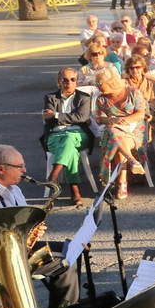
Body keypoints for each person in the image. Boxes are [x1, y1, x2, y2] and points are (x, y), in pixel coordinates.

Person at [0, 144, 82, 308]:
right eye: (19, 167)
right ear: (0, 169)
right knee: (66, 261)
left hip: (17, 248)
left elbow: (19, 224)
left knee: (70, 249)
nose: (24, 170)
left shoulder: (14, 189)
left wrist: (32, 229)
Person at [41, 67, 93, 205]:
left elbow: (82, 117)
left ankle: (54, 174)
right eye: (64, 80)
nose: (68, 83)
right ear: (59, 82)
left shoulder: (84, 97)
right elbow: (48, 118)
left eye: (72, 79)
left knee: (69, 138)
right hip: (55, 136)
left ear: (76, 82)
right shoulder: (50, 97)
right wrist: (70, 118)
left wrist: (57, 115)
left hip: (79, 135)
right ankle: (74, 190)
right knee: (71, 149)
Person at [93, 66, 147, 199]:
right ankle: (131, 165)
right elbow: (100, 118)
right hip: (115, 133)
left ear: (110, 81)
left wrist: (123, 120)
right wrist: (113, 119)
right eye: (96, 83)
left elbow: (141, 113)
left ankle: (122, 182)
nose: (97, 86)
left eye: (99, 83)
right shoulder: (101, 99)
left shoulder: (132, 92)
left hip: (135, 131)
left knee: (115, 137)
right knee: (114, 134)